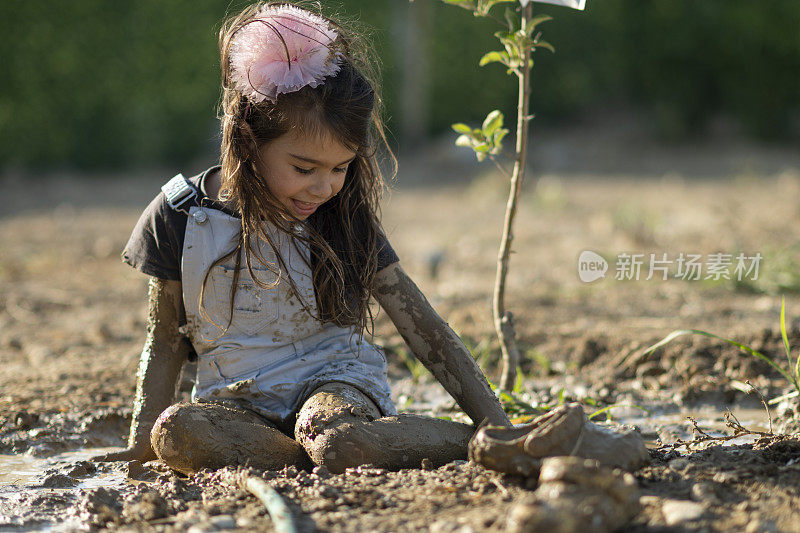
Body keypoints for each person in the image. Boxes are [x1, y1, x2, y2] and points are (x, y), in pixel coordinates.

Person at [95, 2, 510, 475]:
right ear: (247, 141)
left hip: (333, 384)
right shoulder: (179, 216)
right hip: (236, 401)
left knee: (337, 438)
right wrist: (139, 445)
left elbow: (424, 330)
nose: (325, 187)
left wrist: (496, 423)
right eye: (304, 168)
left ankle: (468, 443)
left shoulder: (341, 214)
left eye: (340, 167)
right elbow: (165, 339)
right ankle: (301, 457)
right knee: (175, 433)